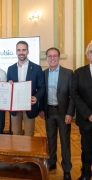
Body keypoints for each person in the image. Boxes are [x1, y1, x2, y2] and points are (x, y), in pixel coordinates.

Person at [39, 47, 74, 180]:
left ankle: (66, 169)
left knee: (65, 142)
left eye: (55, 56)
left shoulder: (68, 73)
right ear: (46, 58)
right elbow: (42, 94)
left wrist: (70, 113)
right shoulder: (44, 73)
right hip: (49, 112)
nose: (52, 58)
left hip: (63, 113)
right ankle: (52, 163)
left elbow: (73, 96)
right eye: (50, 56)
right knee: (50, 140)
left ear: (58, 58)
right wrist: (42, 109)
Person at [7, 41, 45, 136]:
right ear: (16, 52)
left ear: (28, 51)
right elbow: (8, 86)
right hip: (15, 108)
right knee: (16, 135)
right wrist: (8, 85)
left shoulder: (37, 68)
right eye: (19, 50)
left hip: (30, 107)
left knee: (29, 136)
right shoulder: (10, 69)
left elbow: (42, 87)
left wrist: (36, 97)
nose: (21, 52)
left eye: (24, 50)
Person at [72, 41, 92, 180]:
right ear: (87, 55)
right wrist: (88, 114)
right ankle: (86, 172)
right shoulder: (79, 72)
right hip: (86, 119)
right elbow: (75, 94)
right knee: (86, 149)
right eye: (91, 52)